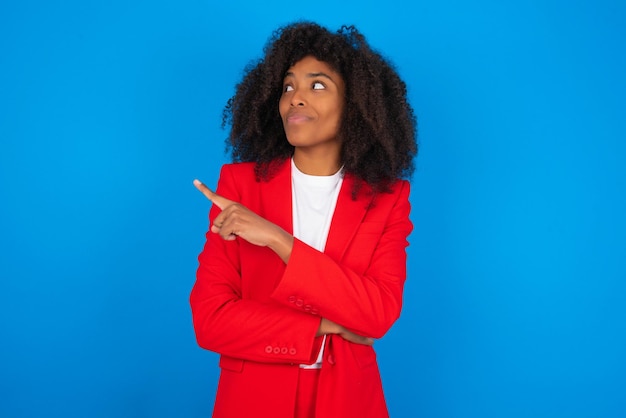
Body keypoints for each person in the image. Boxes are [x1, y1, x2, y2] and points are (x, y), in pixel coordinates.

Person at [190, 21, 417, 418]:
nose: (295, 97)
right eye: (288, 86)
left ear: (356, 105)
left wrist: (279, 240)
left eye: (317, 86)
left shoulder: (387, 199)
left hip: (347, 398)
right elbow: (212, 321)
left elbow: (377, 314)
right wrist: (328, 324)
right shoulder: (238, 187)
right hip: (254, 399)